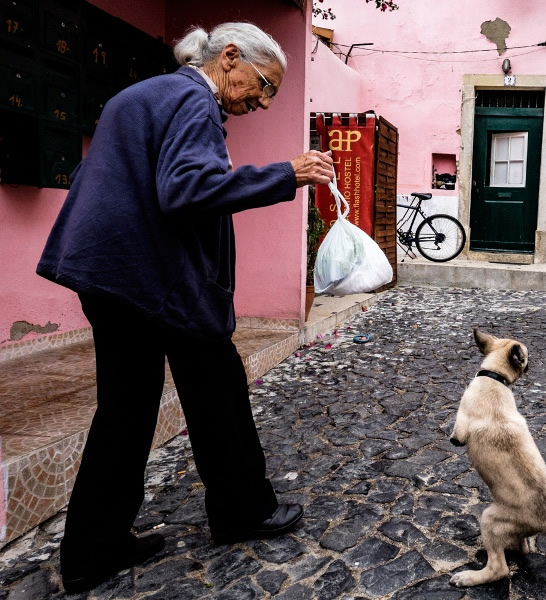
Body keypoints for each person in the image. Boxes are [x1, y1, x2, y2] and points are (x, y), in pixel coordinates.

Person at [36, 22, 335, 593]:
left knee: (125, 410)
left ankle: (91, 551)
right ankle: (242, 511)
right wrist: (286, 174)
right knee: (216, 386)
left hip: (111, 275)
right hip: (149, 280)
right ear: (228, 58)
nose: (263, 101)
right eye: (262, 84)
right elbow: (186, 191)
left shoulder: (145, 94)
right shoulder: (194, 103)